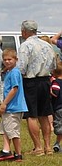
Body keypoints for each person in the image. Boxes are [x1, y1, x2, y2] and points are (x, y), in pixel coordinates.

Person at [17, 20, 57, 155]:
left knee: (32, 115)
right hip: (45, 80)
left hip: (31, 82)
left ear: (24, 31)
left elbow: (21, 67)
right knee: (45, 114)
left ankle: (38, 147)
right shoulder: (47, 45)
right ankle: (48, 146)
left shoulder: (25, 46)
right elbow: (53, 66)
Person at [0, 49, 27, 161]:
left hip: (13, 107)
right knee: (5, 129)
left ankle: (18, 154)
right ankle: (6, 150)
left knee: (13, 132)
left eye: (10, 59)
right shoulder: (9, 72)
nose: (7, 62)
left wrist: (4, 104)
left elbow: (14, 89)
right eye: (5, 60)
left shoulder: (14, 72)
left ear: (16, 60)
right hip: (10, 107)